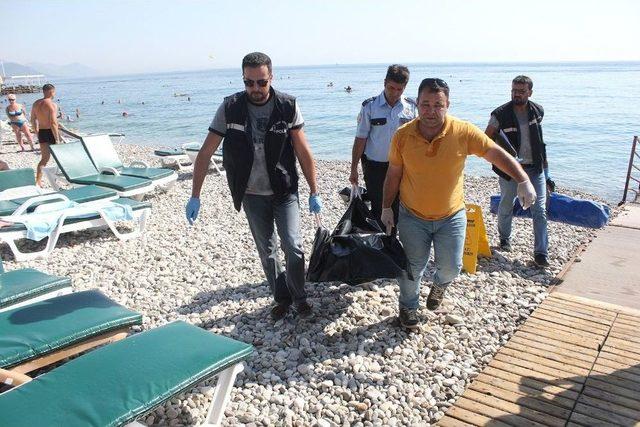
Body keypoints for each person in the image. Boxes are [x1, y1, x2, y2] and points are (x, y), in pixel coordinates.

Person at [381, 78, 536, 329]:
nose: (431, 111)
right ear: (416, 104)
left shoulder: (462, 131)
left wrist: (523, 179)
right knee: (412, 266)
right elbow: (394, 173)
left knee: (452, 267)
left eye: (438, 105)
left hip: (451, 215)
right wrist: (387, 208)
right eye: (426, 104)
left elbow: (495, 153)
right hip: (412, 215)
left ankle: (439, 286)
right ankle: (408, 308)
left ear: (448, 105)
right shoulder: (402, 135)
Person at [186, 52, 322, 321]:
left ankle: (300, 297)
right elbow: (205, 152)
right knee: (268, 250)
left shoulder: (287, 105)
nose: (255, 89)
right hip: (250, 193)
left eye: (261, 82)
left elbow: (303, 151)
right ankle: (281, 298)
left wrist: (314, 190)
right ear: (243, 80)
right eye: (249, 83)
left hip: (284, 190)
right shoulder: (230, 108)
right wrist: (195, 195)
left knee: (293, 246)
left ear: (271, 76)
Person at [485, 75, 550, 267]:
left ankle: (541, 253)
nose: (517, 94)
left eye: (521, 91)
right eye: (514, 90)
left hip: (534, 168)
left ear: (530, 92)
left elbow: (541, 142)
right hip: (510, 170)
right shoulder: (500, 114)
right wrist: (500, 157)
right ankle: (505, 238)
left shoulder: (537, 111)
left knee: (540, 210)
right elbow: (485, 139)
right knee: (506, 204)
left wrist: (548, 174)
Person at [349, 65, 417, 225]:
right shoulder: (370, 107)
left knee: (402, 208)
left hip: (403, 167)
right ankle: (381, 246)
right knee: (380, 208)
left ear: (405, 87)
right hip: (376, 167)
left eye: (399, 89)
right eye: (390, 88)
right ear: (384, 82)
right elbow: (360, 139)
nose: (394, 93)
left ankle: (394, 243)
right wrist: (353, 169)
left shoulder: (412, 107)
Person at [31, 84, 60, 186]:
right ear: (51, 92)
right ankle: (59, 178)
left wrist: (37, 132)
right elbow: (53, 123)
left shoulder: (36, 103)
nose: (54, 94)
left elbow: (33, 121)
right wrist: (57, 138)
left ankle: (38, 181)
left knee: (44, 159)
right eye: (54, 92)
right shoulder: (52, 104)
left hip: (42, 132)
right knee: (60, 156)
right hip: (51, 132)